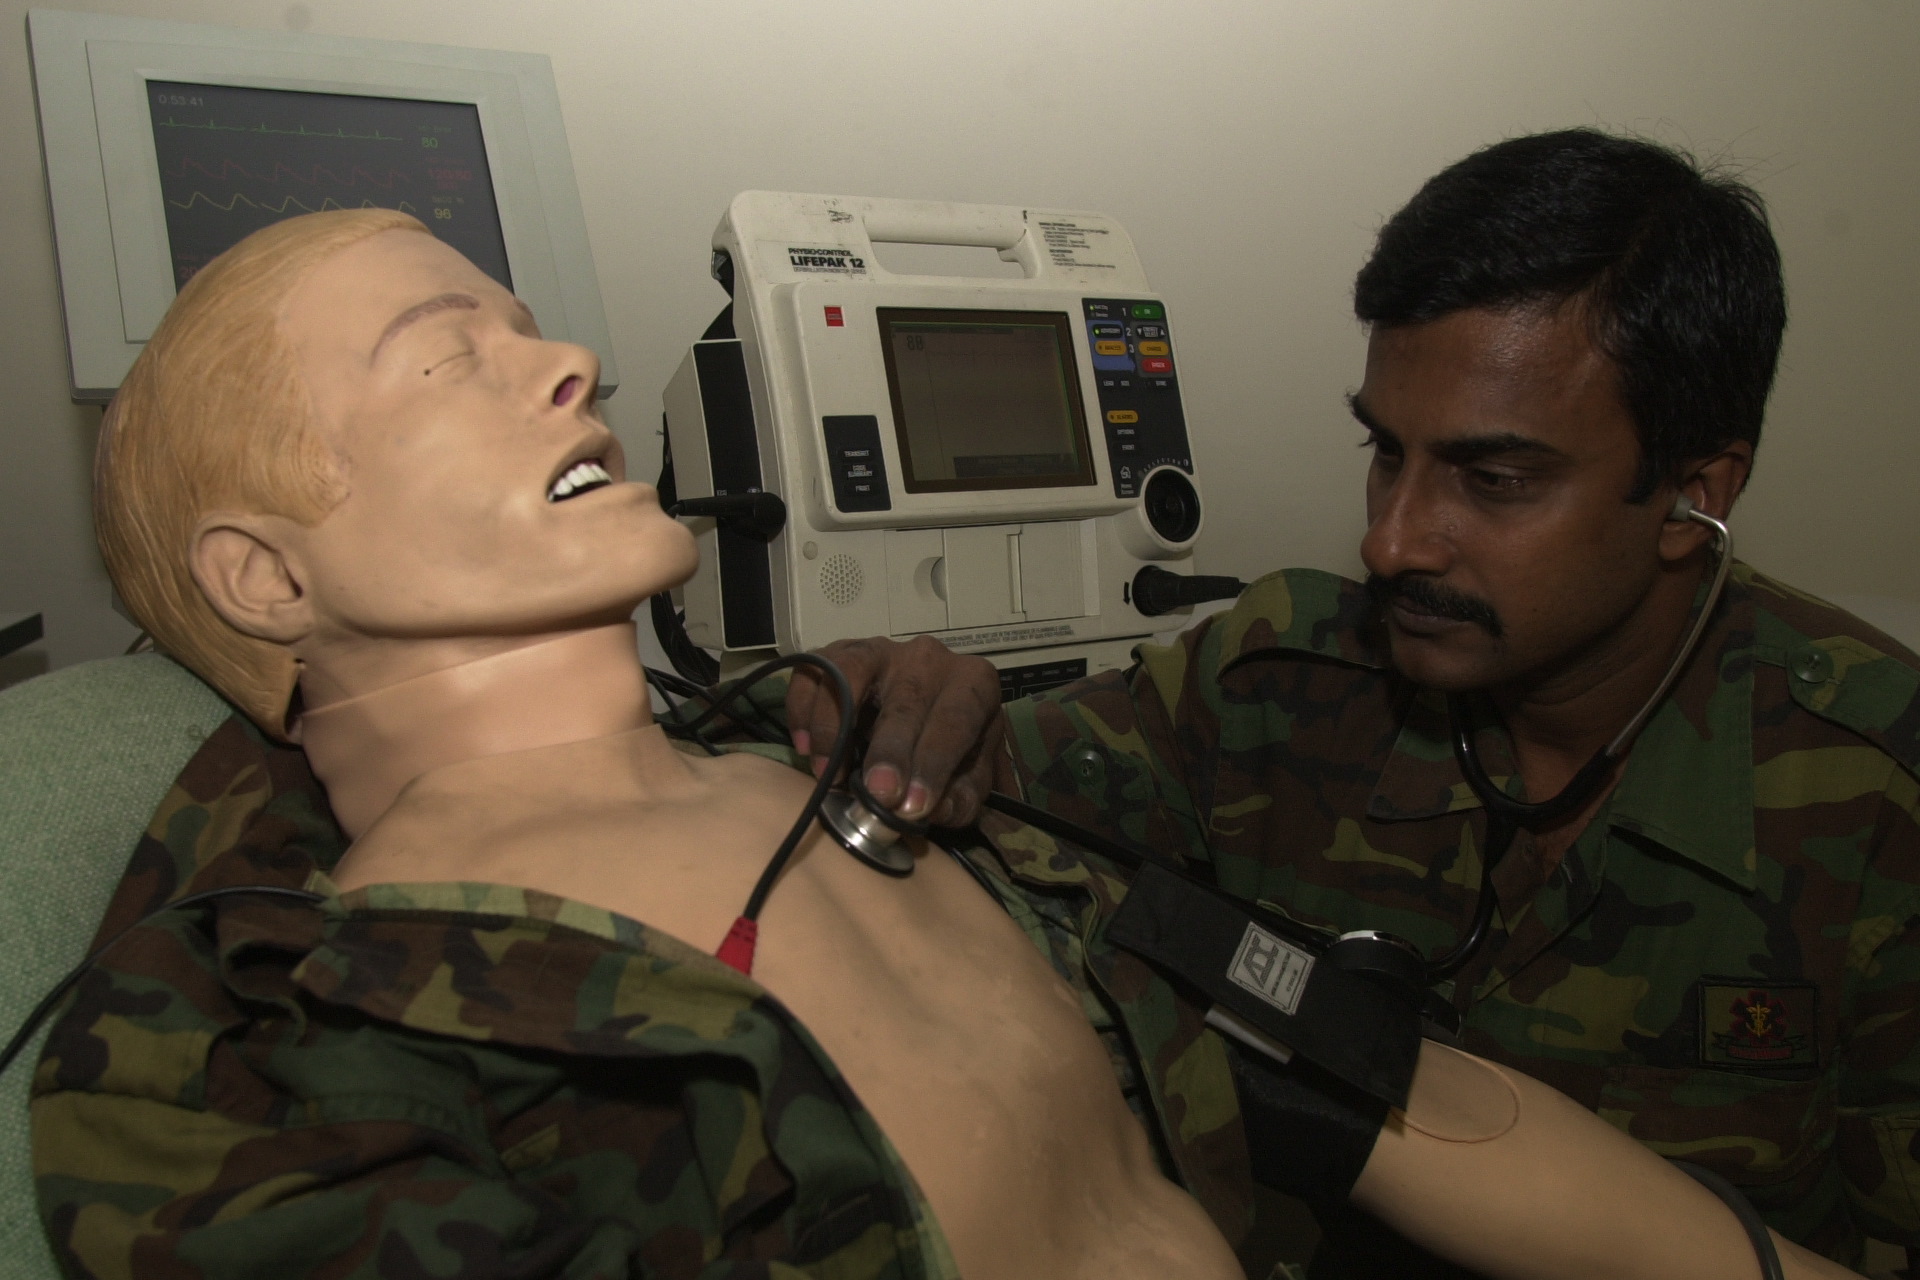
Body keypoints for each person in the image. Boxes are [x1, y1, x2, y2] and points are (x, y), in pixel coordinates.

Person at [31, 206, 1858, 1280]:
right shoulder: (350, 1036)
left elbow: (1359, 1078)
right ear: (265, 576)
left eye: (530, 329)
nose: (567, 361)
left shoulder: (870, 782)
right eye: (450, 358)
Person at [784, 129, 1920, 1276]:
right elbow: (984, 778)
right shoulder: (1279, 683)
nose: (1390, 540)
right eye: (1385, 451)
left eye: (1494, 479)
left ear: (1691, 495)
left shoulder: (1879, 799)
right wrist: (912, 707)